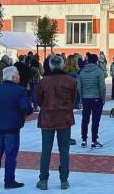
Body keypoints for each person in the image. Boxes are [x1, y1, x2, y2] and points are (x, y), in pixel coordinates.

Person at [0, 66, 33, 189]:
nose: (19, 76)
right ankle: (9, 180)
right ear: (13, 77)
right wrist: (25, 114)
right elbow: (25, 107)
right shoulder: (19, 90)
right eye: (18, 74)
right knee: (11, 155)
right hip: (12, 128)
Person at [36, 56, 77, 190]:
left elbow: (38, 100)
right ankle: (64, 180)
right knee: (64, 151)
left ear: (50, 65)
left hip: (47, 117)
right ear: (63, 65)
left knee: (45, 150)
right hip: (64, 117)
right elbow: (74, 99)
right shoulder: (71, 80)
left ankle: (43, 180)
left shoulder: (44, 81)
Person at [78, 53, 106, 148]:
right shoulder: (99, 71)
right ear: (96, 61)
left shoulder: (82, 71)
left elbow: (79, 86)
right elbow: (102, 86)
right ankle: (94, 140)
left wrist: (81, 97)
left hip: (85, 98)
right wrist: (102, 97)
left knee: (85, 119)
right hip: (96, 98)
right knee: (95, 120)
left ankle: (84, 140)